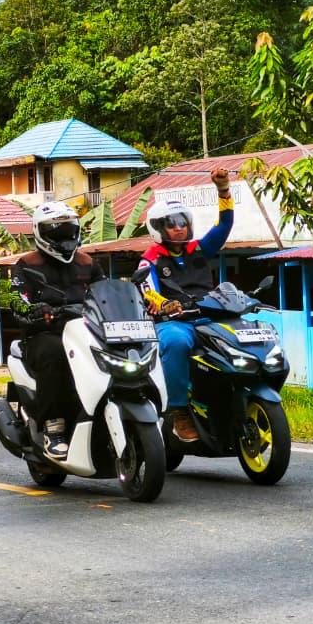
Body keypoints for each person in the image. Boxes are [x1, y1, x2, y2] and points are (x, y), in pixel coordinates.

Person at [137, 168, 235, 442]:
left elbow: (224, 225)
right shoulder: (150, 260)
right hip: (175, 323)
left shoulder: (199, 250)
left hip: (209, 317)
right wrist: (166, 304)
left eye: (183, 221)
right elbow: (149, 292)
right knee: (176, 343)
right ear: (158, 228)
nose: (179, 227)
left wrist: (223, 189)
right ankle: (179, 411)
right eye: (171, 222)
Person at [14, 201, 106, 461]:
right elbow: (16, 298)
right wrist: (35, 309)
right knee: (55, 354)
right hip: (45, 333)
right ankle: (54, 428)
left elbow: (106, 294)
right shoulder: (26, 265)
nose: (64, 238)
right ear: (41, 234)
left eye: (68, 231)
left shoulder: (88, 263)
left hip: (88, 332)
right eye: (56, 232)